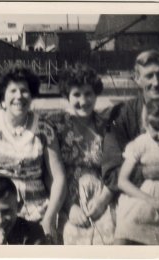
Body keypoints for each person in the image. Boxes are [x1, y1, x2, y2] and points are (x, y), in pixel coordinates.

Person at [0, 66, 67, 243]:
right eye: (12, 91)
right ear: (2, 98)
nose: (19, 96)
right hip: (0, 209)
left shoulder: (45, 129)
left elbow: (58, 179)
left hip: (38, 210)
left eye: (24, 91)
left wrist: (49, 218)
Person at [96, 50, 159, 225]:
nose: (156, 82)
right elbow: (111, 172)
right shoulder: (122, 115)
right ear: (137, 78)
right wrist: (145, 172)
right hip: (136, 199)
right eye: (149, 76)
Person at [46, 64, 114, 245]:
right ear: (67, 96)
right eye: (76, 94)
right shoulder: (56, 125)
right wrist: (69, 207)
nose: (83, 101)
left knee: (110, 236)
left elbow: (114, 167)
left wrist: (103, 200)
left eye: (88, 94)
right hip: (66, 197)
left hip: (101, 196)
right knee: (71, 236)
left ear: (96, 94)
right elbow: (50, 173)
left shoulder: (106, 125)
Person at [115, 100, 159, 245]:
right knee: (126, 230)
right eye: (156, 128)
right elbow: (122, 181)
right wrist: (150, 200)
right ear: (145, 125)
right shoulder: (141, 143)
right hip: (144, 200)